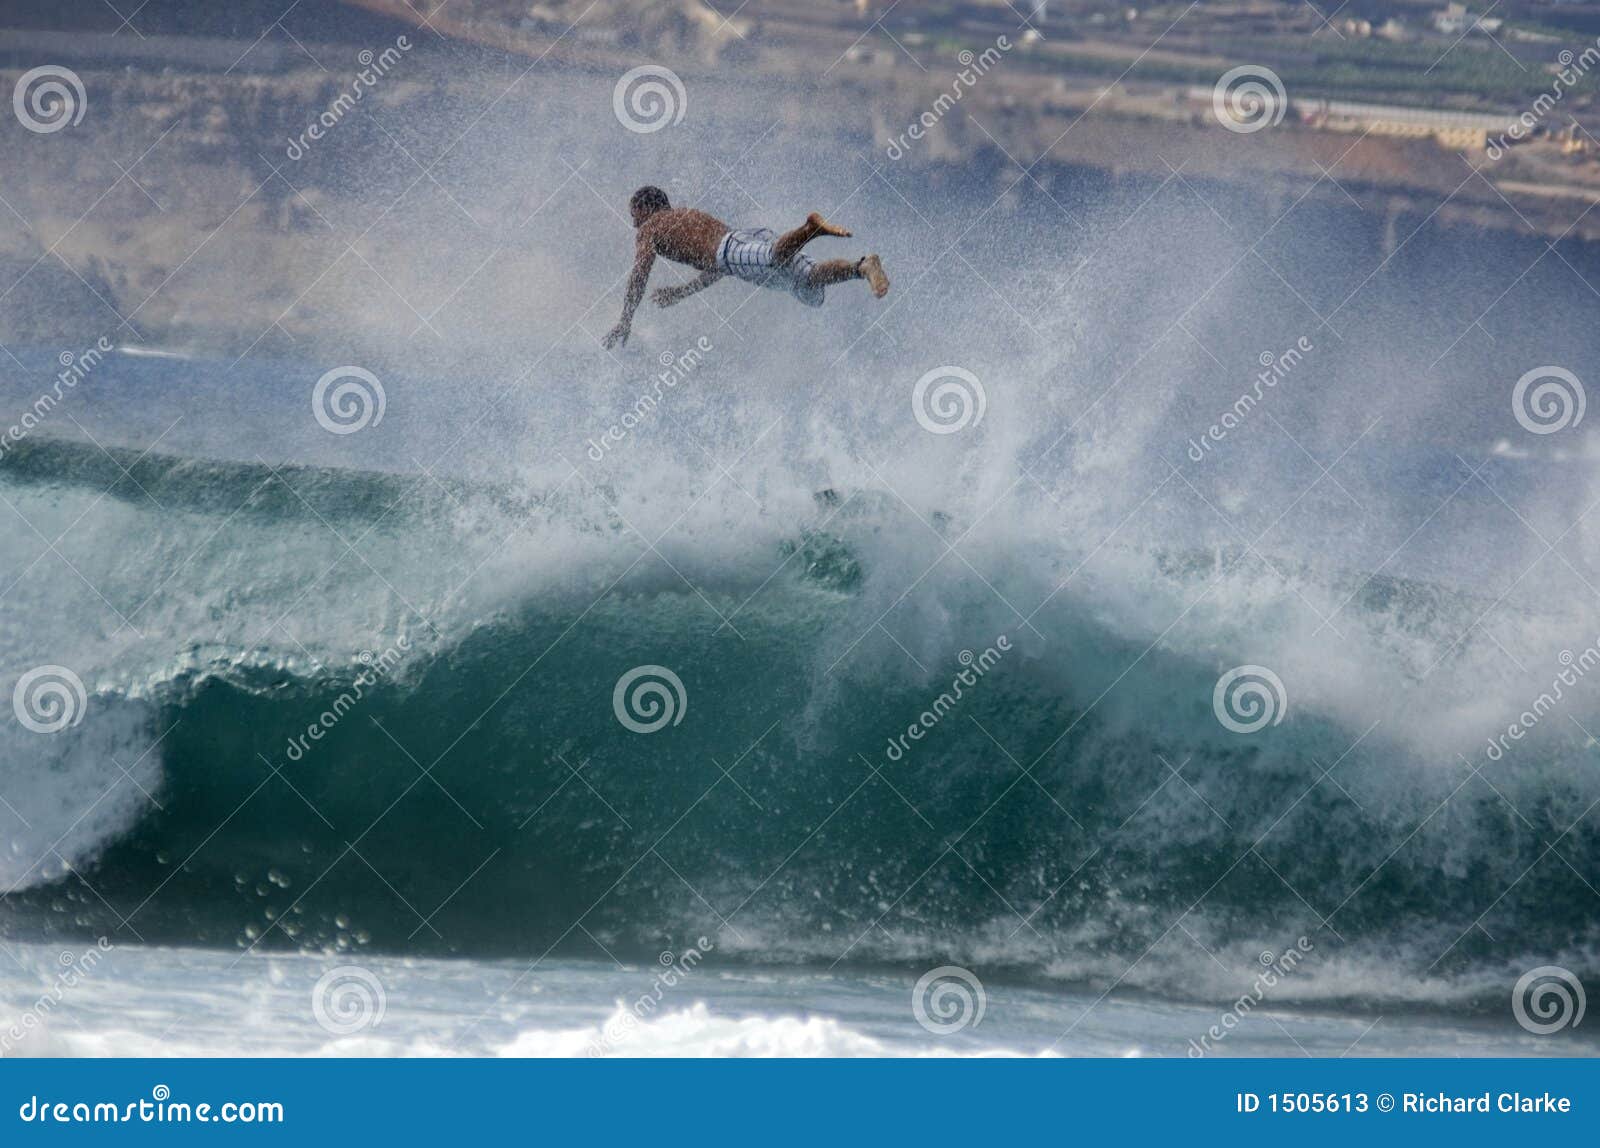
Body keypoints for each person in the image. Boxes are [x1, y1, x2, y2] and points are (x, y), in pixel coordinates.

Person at [602, 186, 890, 349]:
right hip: (745, 240)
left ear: (644, 209)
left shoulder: (650, 227)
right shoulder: (688, 215)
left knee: (777, 259)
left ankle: (810, 229)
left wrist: (626, 319)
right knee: (807, 282)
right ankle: (861, 267)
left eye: (633, 214)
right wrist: (683, 291)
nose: (633, 222)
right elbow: (720, 265)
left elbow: (639, 274)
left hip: (734, 250)